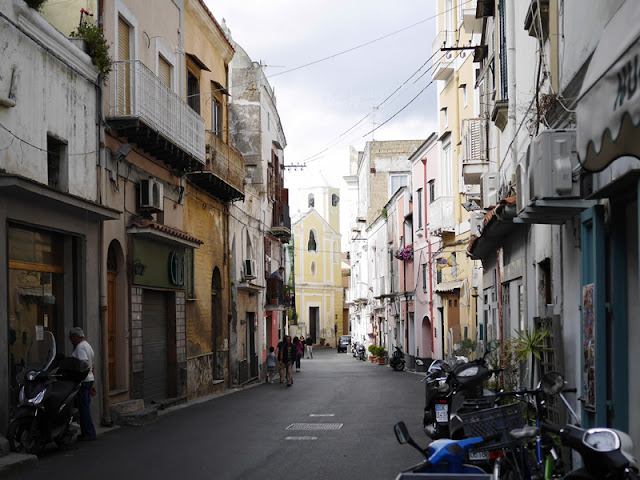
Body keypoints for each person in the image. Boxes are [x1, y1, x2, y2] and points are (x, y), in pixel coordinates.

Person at [69, 327, 96, 441]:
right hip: (89, 379)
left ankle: (89, 433)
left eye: (71, 338)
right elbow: (92, 366)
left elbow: (83, 364)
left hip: (84, 381)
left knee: (84, 408)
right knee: (85, 407)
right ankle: (87, 432)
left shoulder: (80, 347)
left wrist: (78, 379)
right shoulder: (88, 345)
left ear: (75, 337)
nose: (71, 341)